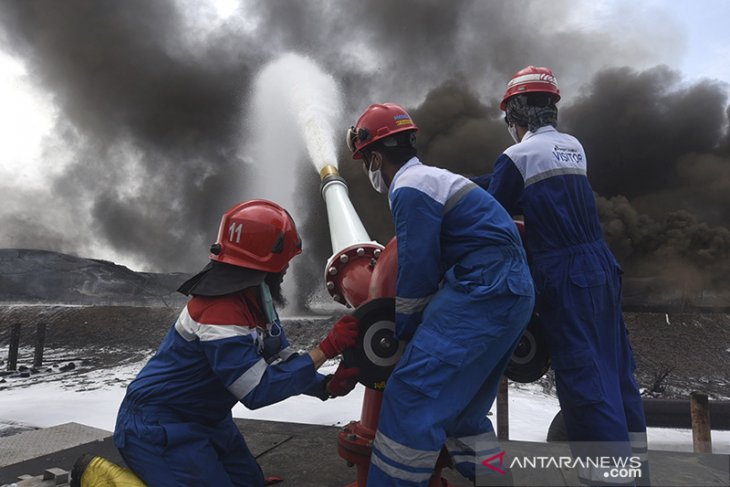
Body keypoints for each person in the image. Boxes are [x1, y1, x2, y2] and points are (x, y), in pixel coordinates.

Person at [473, 66, 649, 485]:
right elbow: (535, 188)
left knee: (585, 378)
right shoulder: (573, 147)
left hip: (566, 275)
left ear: (514, 116)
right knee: (615, 370)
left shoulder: (518, 156)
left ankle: (608, 479)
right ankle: (635, 471)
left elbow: (491, 207)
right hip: (601, 268)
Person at [346, 103, 535, 486]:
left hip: (482, 290)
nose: (370, 169)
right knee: (464, 412)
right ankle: (499, 480)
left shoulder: (410, 188)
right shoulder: (436, 178)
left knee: (411, 395)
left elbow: (417, 266)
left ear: (377, 156)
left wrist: (402, 329)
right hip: (511, 291)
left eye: (367, 160)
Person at [112, 199, 360, 487]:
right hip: (159, 425)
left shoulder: (256, 300)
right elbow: (256, 390)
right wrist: (325, 349)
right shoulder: (220, 312)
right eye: (286, 263)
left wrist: (323, 385)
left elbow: (280, 357)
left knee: (249, 482)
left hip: (208, 419)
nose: (287, 270)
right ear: (267, 264)